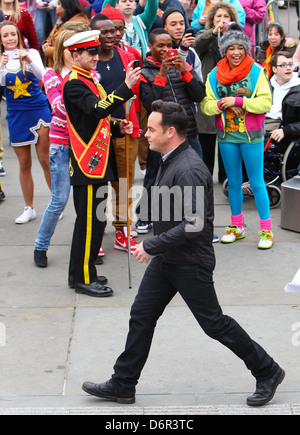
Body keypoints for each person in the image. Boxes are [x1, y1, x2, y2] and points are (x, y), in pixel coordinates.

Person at [81, 100, 285, 407]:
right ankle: (123, 383)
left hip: (190, 262)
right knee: (141, 316)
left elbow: (194, 225)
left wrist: (150, 245)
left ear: (171, 132)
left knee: (214, 323)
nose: (145, 134)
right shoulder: (168, 158)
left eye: (151, 129)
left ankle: (267, 370)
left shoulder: (189, 168)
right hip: (167, 258)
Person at [63, 30, 140, 297]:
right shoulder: (74, 83)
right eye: (90, 52)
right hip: (87, 164)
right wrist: (125, 88)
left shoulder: (89, 80)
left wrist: (119, 126)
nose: (96, 56)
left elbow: (99, 120)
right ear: (76, 55)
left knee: (94, 221)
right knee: (89, 223)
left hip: (97, 161)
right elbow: (96, 110)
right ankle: (84, 278)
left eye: (97, 52)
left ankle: (81, 272)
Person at [201, 30, 274, 249]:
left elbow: (265, 103)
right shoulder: (214, 74)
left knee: (256, 182)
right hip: (227, 136)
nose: (236, 52)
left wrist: (239, 101)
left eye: (240, 48)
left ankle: (266, 231)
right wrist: (224, 104)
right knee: (233, 182)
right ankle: (236, 227)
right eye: (231, 48)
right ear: (224, 51)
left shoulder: (256, 71)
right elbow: (206, 105)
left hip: (251, 136)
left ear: (246, 49)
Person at [135, 28, 205, 235]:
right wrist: (162, 74)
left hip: (187, 132)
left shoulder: (183, 65)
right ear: (150, 47)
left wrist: (185, 71)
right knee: (155, 177)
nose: (166, 50)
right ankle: (145, 216)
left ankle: (198, 221)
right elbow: (150, 103)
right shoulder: (144, 72)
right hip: (161, 135)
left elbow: (199, 95)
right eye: (161, 46)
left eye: (169, 45)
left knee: (196, 176)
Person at [34, 28, 85, 268]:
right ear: (62, 51)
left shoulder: (88, 75)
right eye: (71, 49)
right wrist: (88, 106)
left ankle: (90, 248)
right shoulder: (52, 75)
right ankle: (40, 246)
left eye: (80, 49)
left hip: (85, 146)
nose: (76, 54)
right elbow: (59, 107)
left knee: (87, 201)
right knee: (59, 199)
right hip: (63, 145)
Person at [91, 13, 140, 254]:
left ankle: (123, 232)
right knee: (99, 186)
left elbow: (134, 92)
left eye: (114, 30)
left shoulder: (125, 56)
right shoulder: (89, 62)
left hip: (123, 130)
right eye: (105, 32)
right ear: (94, 35)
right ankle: (96, 236)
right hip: (97, 135)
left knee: (123, 185)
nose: (112, 35)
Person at [0, 21, 52, 224]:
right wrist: (2, 66)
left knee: (45, 159)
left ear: (19, 36)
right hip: (16, 113)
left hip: (38, 110)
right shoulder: (1, 60)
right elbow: (2, 84)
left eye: (13, 34)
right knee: (23, 162)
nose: (10, 38)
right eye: (5, 35)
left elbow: (43, 76)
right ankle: (29, 207)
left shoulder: (32, 52)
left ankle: (55, 202)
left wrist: (29, 59)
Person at [194, 2, 238, 184]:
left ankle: (225, 178)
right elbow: (198, 45)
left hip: (230, 94)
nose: (222, 20)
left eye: (226, 17)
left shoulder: (237, 38)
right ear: (211, 19)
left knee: (227, 139)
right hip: (209, 94)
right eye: (218, 16)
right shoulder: (205, 36)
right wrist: (214, 32)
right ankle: (205, 176)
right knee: (206, 138)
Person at [265, 51, 300, 152]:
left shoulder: (297, 87)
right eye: (283, 65)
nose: (288, 68)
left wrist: (285, 131)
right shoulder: (266, 86)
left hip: (286, 133)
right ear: (274, 69)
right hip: (264, 126)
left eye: (290, 64)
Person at [42, 0, 90, 67]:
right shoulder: (62, 18)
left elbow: (70, 50)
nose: (56, 6)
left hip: (69, 69)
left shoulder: (78, 23)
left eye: (59, 4)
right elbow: (52, 36)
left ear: (66, 7)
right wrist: (46, 43)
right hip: (57, 67)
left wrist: (48, 50)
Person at [162, 6, 202, 79]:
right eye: (173, 24)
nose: (179, 27)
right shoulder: (159, 51)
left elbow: (199, 80)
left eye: (182, 23)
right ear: (165, 27)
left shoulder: (191, 51)